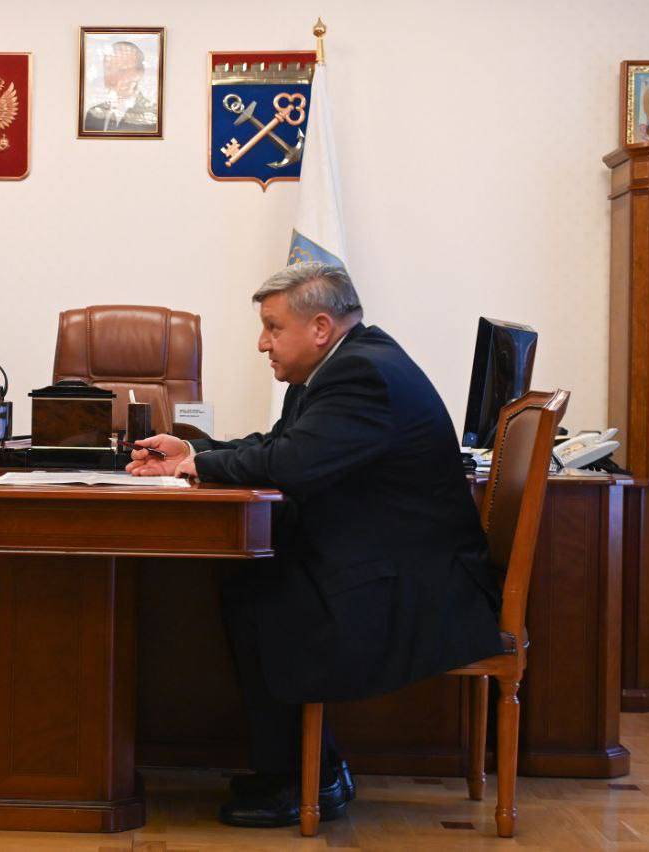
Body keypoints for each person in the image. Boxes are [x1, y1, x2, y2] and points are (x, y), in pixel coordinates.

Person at [126, 261, 503, 829]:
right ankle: (305, 770)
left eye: (273, 328)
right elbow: (279, 443)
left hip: (424, 589)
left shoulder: (361, 375)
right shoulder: (339, 367)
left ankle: (304, 779)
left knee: (264, 595)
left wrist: (197, 466)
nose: (262, 343)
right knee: (250, 585)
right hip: (397, 564)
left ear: (321, 327)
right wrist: (193, 451)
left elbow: (291, 463)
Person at [83, 40, 158, 133]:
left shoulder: (153, 117)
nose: (113, 77)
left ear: (140, 73)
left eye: (122, 70)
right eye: (109, 68)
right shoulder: (92, 114)